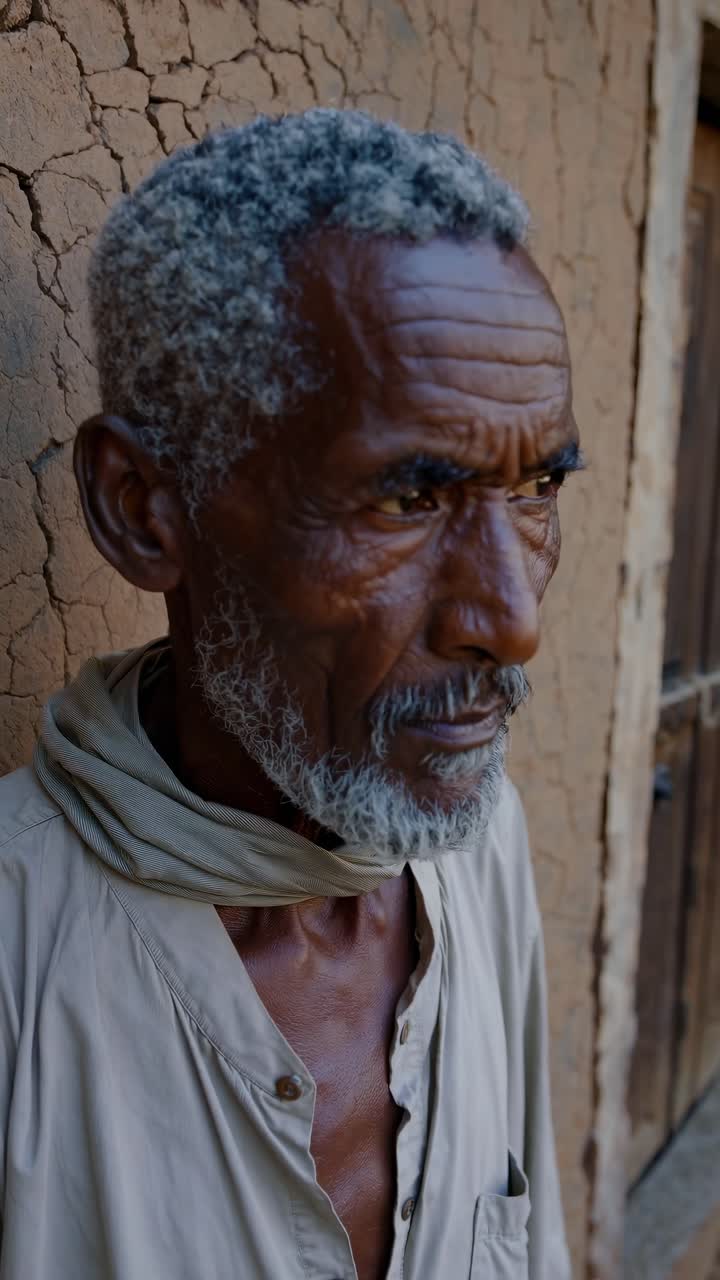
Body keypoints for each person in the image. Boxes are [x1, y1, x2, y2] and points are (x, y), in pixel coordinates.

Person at [0, 109, 580, 1280]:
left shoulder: (478, 844)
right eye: (408, 500)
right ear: (144, 508)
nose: (512, 616)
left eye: (536, 489)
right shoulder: (20, 963)